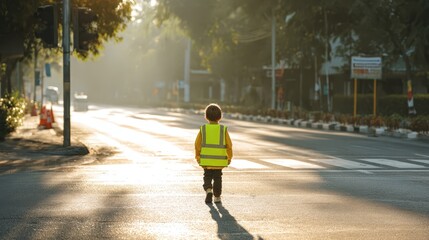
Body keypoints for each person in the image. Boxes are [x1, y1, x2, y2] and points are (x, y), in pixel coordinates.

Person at [195, 103, 233, 204]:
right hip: (219, 162)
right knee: (217, 178)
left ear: (206, 116)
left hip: (206, 161)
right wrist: (229, 158)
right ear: (220, 116)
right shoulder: (222, 129)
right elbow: (229, 145)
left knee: (207, 176)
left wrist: (198, 157)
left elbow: (197, 144)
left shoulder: (203, 128)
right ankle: (217, 197)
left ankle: (208, 190)